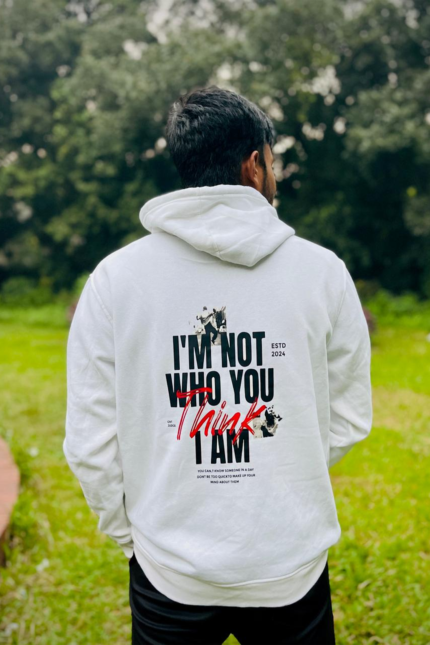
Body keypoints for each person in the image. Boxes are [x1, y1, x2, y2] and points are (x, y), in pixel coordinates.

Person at [63, 85, 373, 644]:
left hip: (168, 568)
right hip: (289, 566)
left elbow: (90, 442)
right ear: (255, 164)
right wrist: (281, 462)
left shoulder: (115, 279)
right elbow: (349, 417)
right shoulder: (323, 272)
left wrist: (131, 538)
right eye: (273, 162)